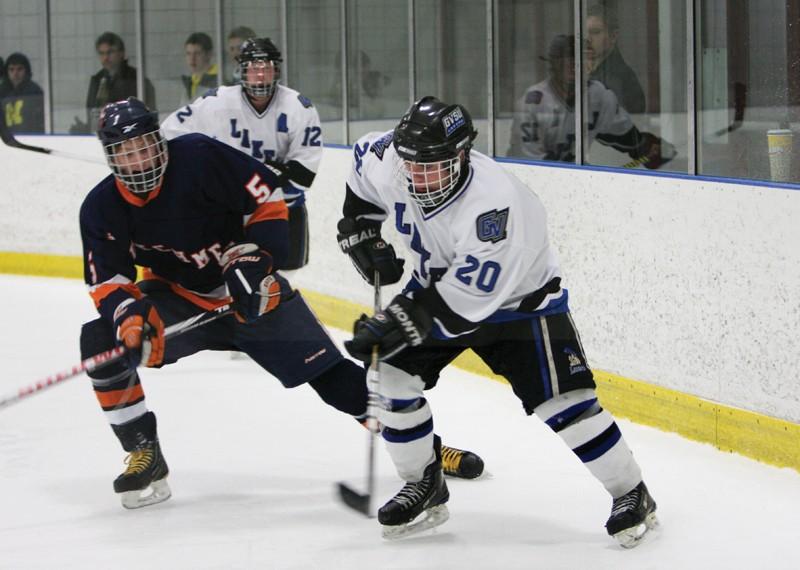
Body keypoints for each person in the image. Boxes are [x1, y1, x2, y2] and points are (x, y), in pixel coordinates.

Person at [78, 97, 483, 510]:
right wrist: (128, 317)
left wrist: (258, 260)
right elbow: (108, 281)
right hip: (181, 300)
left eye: (144, 146)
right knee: (100, 342)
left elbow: (267, 196)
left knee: (333, 379)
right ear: (110, 156)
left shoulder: (199, 157)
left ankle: (427, 448)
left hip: (255, 293)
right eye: (125, 152)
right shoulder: (100, 208)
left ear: (159, 142)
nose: (139, 160)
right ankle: (144, 450)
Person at [337, 95, 658, 546]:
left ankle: (632, 493)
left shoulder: (496, 206)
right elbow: (359, 172)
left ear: (462, 153)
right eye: (412, 164)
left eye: (433, 165)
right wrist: (359, 226)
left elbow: (471, 301)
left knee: (567, 405)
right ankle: (423, 483)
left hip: (520, 304)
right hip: (435, 289)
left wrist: (400, 322)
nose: (419, 176)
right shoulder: (390, 157)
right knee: (390, 376)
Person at [163, 38, 318, 270]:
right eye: (254, 68)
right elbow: (169, 133)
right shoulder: (216, 102)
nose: (260, 75)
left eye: (266, 68)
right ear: (242, 70)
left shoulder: (299, 107)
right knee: (228, 280)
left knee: (282, 283)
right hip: (230, 216)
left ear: (276, 70)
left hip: (283, 214)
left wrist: (246, 181)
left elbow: (304, 175)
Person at [508, 34, 675, 168]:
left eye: (583, 59)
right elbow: (529, 165)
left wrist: (646, 148)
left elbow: (624, 135)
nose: (576, 65)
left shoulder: (598, 95)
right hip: (525, 184)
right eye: (568, 59)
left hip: (575, 178)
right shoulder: (533, 102)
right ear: (554, 64)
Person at [71, 32, 156, 134]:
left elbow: (149, 116)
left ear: (122, 53)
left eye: (110, 52)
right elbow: (93, 115)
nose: (105, 58)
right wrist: (84, 128)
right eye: (101, 53)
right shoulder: (97, 80)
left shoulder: (137, 79)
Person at [585, 2, 645, 115]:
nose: (587, 39)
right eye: (584, 33)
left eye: (595, 32)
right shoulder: (583, 71)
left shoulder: (620, 79)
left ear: (613, 36)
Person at [0, 52, 44, 133]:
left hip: (29, 137)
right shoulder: (2, 91)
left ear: (26, 71)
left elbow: (39, 121)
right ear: (7, 72)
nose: (15, 73)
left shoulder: (34, 91)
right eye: (11, 69)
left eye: (19, 69)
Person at [181, 32, 218, 103]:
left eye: (197, 53)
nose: (192, 58)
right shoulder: (189, 83)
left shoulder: (219, 81)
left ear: (209, 54)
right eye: (188, 53)